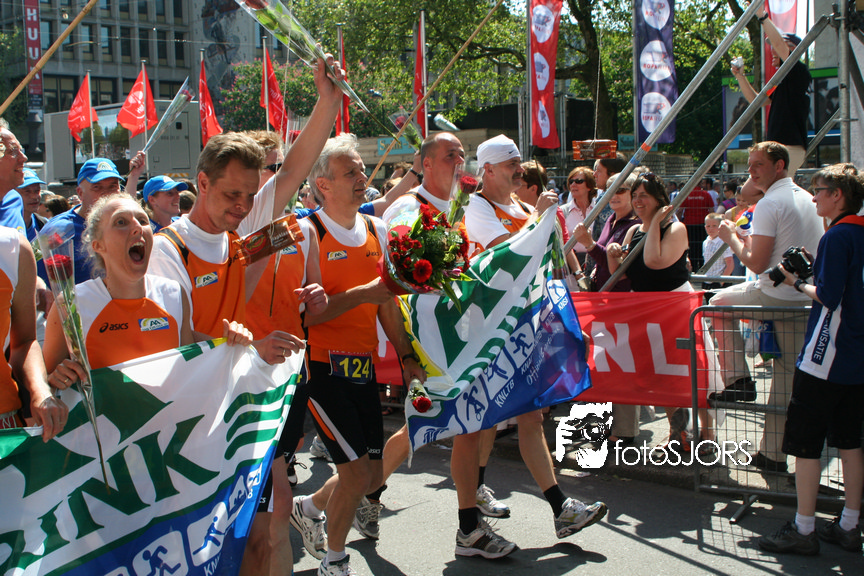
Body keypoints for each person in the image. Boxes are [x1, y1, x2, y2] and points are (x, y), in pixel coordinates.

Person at [148, 54, 344, 576]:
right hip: (187, 427)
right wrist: (250, 347)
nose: (242, 205)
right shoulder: (167, 250)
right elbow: (178, 343)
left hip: (239, 411)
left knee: (270, 528)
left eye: (250, 195)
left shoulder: (243, 229)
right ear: (202, 182)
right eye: (232, 194)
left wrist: (327, 101)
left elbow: (295, 168)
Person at [466, 134, 607, 550]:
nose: (519, 170)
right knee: (482, 420)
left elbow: (547, 266)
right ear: (488, 170)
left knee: (529, 418)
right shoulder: (479, 207)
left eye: (519, 163)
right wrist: (540, 219)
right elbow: (505, 256)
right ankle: (376, 489)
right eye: (511, 164)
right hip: (490, 328)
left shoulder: (524, 207)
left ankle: (561, 508)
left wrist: (566, 321)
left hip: (529, 324)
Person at [299, 133, 425, 576]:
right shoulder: (307, 233)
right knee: (355, 474)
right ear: (323, 184)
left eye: (361, 170)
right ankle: (334, 559)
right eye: (349, 171)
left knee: (370, 476)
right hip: (320, 367)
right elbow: (306, 316)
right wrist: (363, 294)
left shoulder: (377, 230)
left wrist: (407, 358)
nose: (361, 177)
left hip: (363, 366)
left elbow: (385, 303)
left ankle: (310, 507)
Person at [758, 164, 864, 556]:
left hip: (824, 356)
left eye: (819, 189)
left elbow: (829, 296)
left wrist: (797, 281)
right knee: (850, 443)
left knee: (805, 446)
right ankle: (849, 524)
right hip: (855, 356)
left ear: (839, 195)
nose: (814, 195)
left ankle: (804, 529)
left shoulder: (837, 236)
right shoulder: (858, 232)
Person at [709, 142, 823, 474]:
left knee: (716, 303)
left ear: (780, 166)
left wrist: (730, 238)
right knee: (785, 381)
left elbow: (757, 264)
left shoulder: (770, 202)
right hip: (802, 298)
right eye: (749, 165)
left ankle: (738, 378)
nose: (751, 171)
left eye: (758, 165)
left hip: (776, 295)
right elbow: (772, 251)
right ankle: (772, 455)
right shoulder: (805, 197)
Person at [606, 172, 706, 447]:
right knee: (658, 375)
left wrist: (655, 224)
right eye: (635, 196)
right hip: (646, 312)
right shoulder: (633, 231)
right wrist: (612, 254)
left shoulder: (676, 229)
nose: (638, 201)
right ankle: (678, 434)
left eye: (644, 196)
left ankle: (697, 435)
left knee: (682, 374)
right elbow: (620, 274)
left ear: (660, 200)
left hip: (674, 311)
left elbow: (654, 261)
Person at [0, 118, 67, 442]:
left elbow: (24, 340)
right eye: (12, 150)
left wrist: (40, 390)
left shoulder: (14, 248)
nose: (24, 158)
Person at [572, 172, 642, 442]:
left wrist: (589, 245)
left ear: (634, 195)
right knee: (606, 365)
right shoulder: (612, 220)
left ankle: (625, 430)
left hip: (622, 302)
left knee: (622, 366)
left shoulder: (634, 225)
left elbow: (620, 269)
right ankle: (610, 425)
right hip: (606, 301)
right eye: (610, 189)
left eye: (621, 190)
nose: (614, 195)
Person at [731, 6, 811, 174]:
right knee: (759, 187)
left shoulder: (798, 70)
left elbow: (779, 44)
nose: (772, 50)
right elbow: (757, 101)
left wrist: (762, 15)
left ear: (794, 50)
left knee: (760, 187)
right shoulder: (783, 80)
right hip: (779, 148)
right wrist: (740, 76)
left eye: (776, 46)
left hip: (788, 148)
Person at [48, 157, 126, 283]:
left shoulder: (127, 224)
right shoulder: (60, 229)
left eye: (112, 187)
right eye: (97, 187)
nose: (107, 194)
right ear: (80, 193)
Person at [560, 166, 597, 267]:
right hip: (571, 265)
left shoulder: (599, 209)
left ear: (589, 186)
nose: (573, 184)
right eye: (571, 181)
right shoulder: (562, 211)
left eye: (579, 181)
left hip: (596, 261)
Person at [702, 212, 734, 300]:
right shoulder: (705, 242)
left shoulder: (723, 242)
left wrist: (722, 281)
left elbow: (730, 263)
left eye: (714, 226)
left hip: (719, 281)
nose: (711, 229)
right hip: (707, 281)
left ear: (720, 227)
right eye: (708, 226)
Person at [18, 168, 46, 241]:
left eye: (37, 191)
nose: (34, 196)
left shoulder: (44, 225)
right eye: (27, 191)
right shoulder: (5, 224)